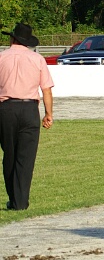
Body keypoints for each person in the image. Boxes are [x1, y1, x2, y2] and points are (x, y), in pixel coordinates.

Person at [0, 23, 54, 211]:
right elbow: (46, 90)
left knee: (9, 155)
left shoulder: (1, 57)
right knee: (26, 157)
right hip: (29, 109)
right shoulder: (37, 59)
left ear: (12, 39)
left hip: (6, 109)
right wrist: (48, 114)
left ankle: (13, 198)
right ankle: (21, 201)